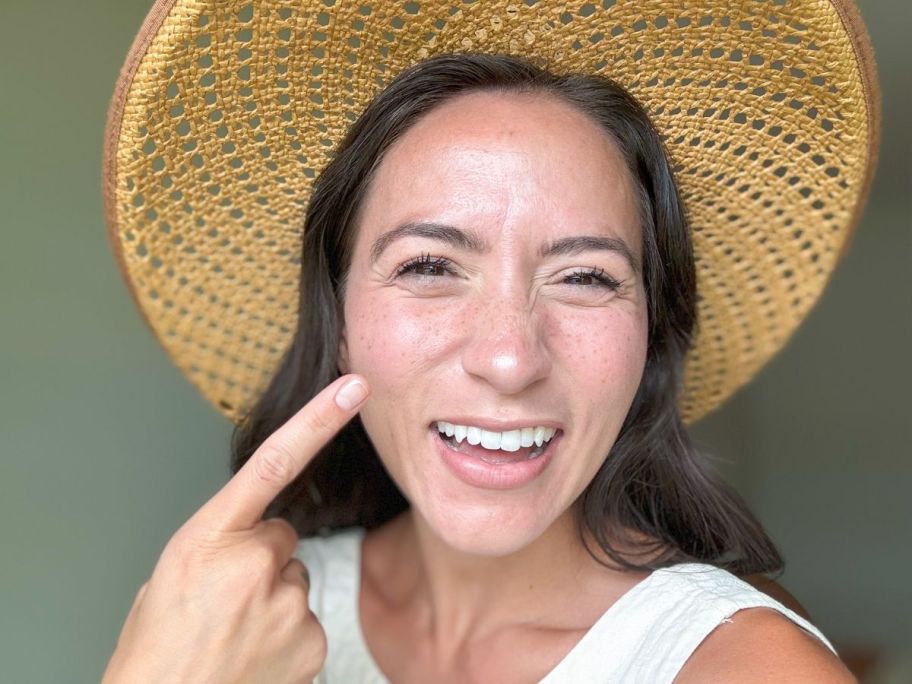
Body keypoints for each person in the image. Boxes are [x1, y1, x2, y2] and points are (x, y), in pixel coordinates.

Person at [100, 1, 879, 682]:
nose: (509, 360)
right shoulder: (231, 627)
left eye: (585, 277)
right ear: (338, 326)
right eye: (431, 265)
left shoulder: (744, 669)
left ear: (650, 333)